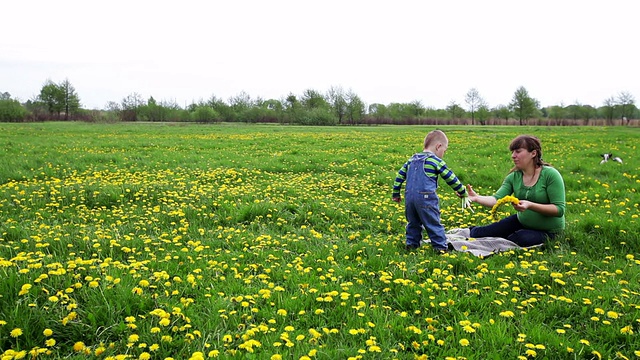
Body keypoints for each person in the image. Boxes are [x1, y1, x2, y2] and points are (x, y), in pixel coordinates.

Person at [465, 134, 565, 247]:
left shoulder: (550, 175)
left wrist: (530, 205)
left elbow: (559, 209)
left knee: (518, 238)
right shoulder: (514, 177)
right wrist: (476, 197)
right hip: (521, 222)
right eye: (512, 152)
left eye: (518, 151)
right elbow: (496, 199)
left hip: (549, 231)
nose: (513, 156)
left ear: (533, 153)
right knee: (479, 233)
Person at [392, 130, 467, 253]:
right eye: (444, 150)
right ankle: (440, 248)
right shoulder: (434, 161)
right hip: (426, 198)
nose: (444, 153)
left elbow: (399, 176)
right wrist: (462, 191)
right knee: (433, 222)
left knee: (413, 223)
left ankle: (412, 245)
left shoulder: (411, 160)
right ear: (438, 146)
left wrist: (396, 193)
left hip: (409, 198)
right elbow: (450, 177)